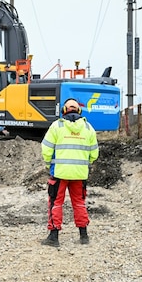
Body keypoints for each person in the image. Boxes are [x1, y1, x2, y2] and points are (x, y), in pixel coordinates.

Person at [40, 98, 99, 247]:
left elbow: (46, 149)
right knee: (79, 203)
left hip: (59, 173)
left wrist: (49, 164)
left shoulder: (56, 126)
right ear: (79, 111)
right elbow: (94, 154)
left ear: (64, 111)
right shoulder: (88, 128)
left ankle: (54, 237)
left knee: (56, 203)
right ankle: (83, 235)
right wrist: (85, 164)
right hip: (79, 174)